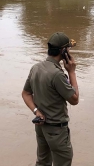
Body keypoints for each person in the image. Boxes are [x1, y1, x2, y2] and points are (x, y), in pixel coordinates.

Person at [22, 32, 80, 166]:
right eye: (69, 49)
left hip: (41, 128)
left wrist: (36, 111)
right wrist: (71, 72)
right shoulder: (57, 74)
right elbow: (75, 100)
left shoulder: (36, 68)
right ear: (64, 51)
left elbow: (25, 93)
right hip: (57, 131)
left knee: (42, 162)